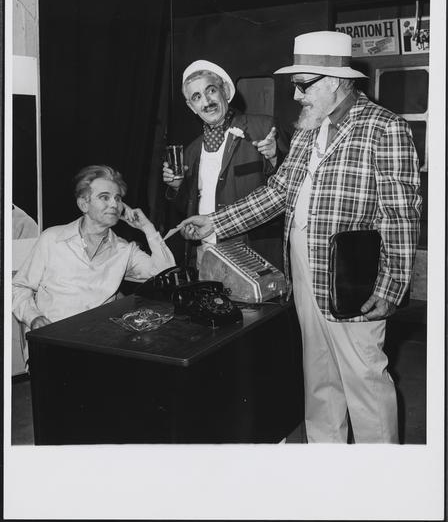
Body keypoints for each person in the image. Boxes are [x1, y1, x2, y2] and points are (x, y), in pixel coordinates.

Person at [179, 31, 422, 444]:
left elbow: (400, 215)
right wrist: (214, 221)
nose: (295, 96)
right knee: (319, 376)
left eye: (303, 85)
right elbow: (278, 192)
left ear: (336, 81)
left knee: (364, 379)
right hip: (303, 270)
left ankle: (380, 474)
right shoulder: (309, 129)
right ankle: (324, 462)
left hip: (351, 278)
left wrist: (392, 284)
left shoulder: (384, 127)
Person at [13, 165, 175, 331]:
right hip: (51, 336)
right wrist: (34, 318)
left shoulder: (125, 250)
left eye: (118, 198)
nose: (114, 204)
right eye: (105, 197)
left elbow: (167, 275)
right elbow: (18, 287)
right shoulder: (52, 239)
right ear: (84, 204)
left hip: (97, 340)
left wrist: (148, 228)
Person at [162, 59, 289, 269]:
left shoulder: (263, 128)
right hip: (206, 253)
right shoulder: (191, 151)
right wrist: (177, 187)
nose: (206, 102)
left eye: (211, 90)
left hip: (253, 255)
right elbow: (187, 208)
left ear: (225, 91)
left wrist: (276, 157)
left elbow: (289, 188)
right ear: (191, 106)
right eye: (197, 97)